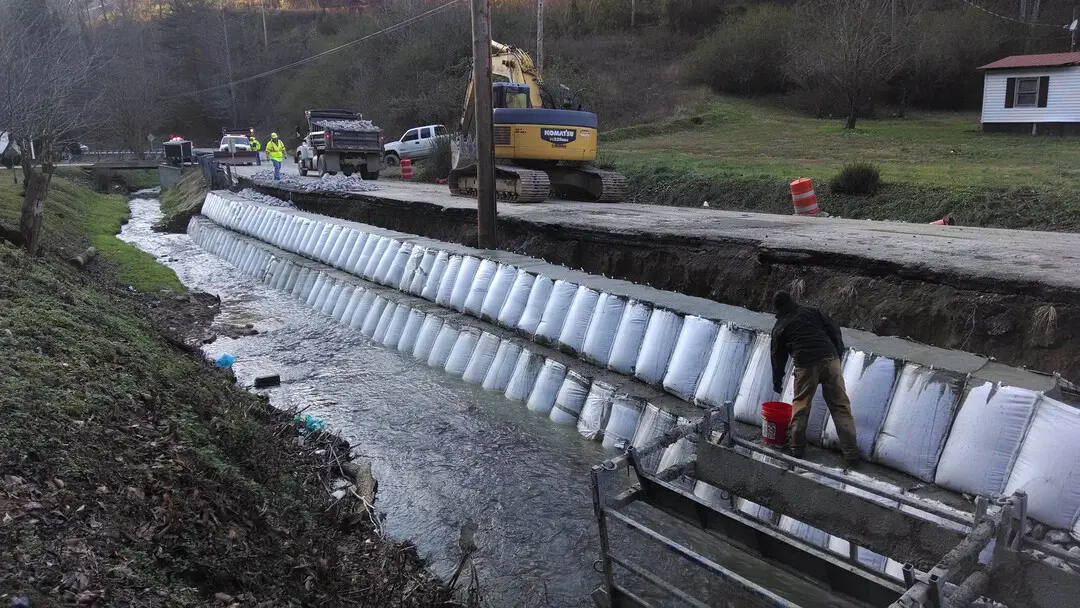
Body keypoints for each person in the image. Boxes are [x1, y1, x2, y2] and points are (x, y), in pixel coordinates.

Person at [770, 290, 859, 466]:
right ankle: (851, 452)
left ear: (778, 308)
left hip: (806, 365)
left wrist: (777, 381)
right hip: (831, 360)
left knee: (801, 405)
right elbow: (834, 328)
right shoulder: (812, 311)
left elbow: (777, 357)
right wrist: (837, 353)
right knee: (840, 406)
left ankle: (796, 449)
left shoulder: (780, 326)